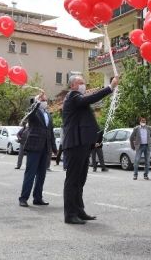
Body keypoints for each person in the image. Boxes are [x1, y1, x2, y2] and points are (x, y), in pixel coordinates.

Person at [62, 74, 119, 225]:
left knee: (80, 180)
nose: (84, 85)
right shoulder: (73, 97)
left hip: (83, 143)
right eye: (81, 83)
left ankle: (79, 210)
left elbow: (89, 101)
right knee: (72, 180)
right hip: (75, 143)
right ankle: (70, 214)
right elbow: (89, 99)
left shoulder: (78, 99)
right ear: (73, 85)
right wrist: (109, 87)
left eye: (84, 83)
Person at [18, 92, 57, 207]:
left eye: (45, 100)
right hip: (34, 146)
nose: (45, 101)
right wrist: (36, 102)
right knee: (30, 173)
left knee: (42, 174)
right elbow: (30, 113)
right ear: (37, 101)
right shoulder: (33, 112)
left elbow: (50, 132)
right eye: (42, 100)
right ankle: (23, 198)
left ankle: (38, 197)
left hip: (45, 147)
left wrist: (54, 148)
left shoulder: (48, 115)